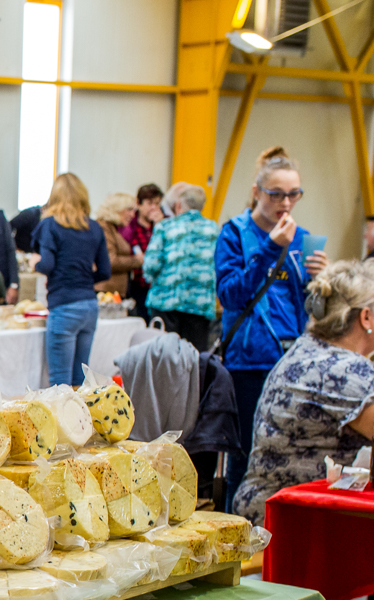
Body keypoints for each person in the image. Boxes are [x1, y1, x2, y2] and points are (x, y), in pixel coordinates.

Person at [215, 146, 327, 502]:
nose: (286, 202)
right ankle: (235, 533)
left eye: (294, 194)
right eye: (276, 194)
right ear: (256, 192)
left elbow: (315, 309)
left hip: (292, 359)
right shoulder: (234, 234)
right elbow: (231, 295)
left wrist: (321, 281)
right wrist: (268, 247)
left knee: (288, 451)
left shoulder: (303, 238)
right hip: (249, 361)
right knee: (245, 454)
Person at [232, 260, 374, 524]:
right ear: (365, 317)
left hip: (262, 510)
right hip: (294, 522)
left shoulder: (306, 349)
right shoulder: (345, 369)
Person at [34, 172, 111, 388]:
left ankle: (61, 423)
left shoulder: (50, 225)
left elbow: (47, 265)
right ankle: (81, 422)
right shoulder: (94, 227)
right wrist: (83, 279)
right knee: (80, 380)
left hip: (64, 305)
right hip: (89, 305)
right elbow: (105, 271)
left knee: (60, 383)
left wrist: (35, 264)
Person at [143, 182, 219, 352]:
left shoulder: (165, 227)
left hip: (166, 304)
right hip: (200, 307)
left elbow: (151, 265)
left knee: (164, 359)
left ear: (178, 205)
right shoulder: (215, 229)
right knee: (194, 359)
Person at [123, 182, 162, 310]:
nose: (154, 208)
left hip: (158, 286)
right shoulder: (129, 227)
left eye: (157, 204)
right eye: (150, 203)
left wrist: (160, 227)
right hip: (137, 285)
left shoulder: (164, 225)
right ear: (138, 204)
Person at [93, 192, 139, 296]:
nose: (133, 215)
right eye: (129, 210)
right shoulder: (104, 228)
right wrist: (137, 260)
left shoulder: (113, 228)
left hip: (114, 291)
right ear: (116, 208)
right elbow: (110, 261)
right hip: (106, 292)